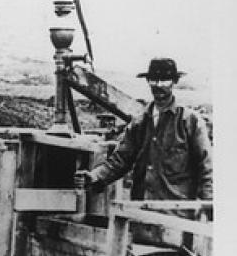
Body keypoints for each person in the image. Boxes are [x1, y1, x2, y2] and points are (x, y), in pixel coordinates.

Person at [74, 58, 213, 248]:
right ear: (148, 82)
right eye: (154, 80)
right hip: (141, 222)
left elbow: (206, 169)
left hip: (176, 224)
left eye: (165, 80)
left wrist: (207, 213)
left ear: (174, 82)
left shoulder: (191, 122)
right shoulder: (139, 123)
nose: (159, 86)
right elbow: (119, 161)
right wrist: (94, 177)